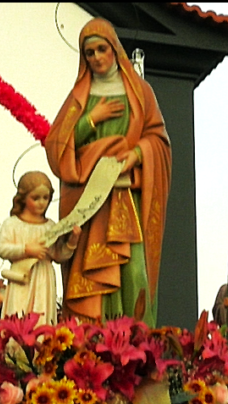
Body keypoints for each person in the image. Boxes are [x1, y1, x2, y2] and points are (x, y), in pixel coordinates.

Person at [45, 17, 172, 328]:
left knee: (135, 274)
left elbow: (159, 139)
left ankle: (138, 348)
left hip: (127, 198)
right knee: (92, 280)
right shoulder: (80, 98)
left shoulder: (140, 92)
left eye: (102, 49)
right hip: (90, 201)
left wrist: (138, 153)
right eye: (90, 53)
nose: (97, 58)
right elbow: (57, 148)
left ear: (115, 49)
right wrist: (91, 118)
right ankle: (94, 348)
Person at [0, 171, 81, 326]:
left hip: (43, 278)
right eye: (35, 198)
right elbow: (2, 248)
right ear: (23, 198)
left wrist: (72, 241)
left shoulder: (50, 226)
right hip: (21, 277)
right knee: (18, 314)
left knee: (42, 320)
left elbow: (58, 255)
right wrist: (26, 250)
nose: (42, 203)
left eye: (46, 198)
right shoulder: (12, 223)